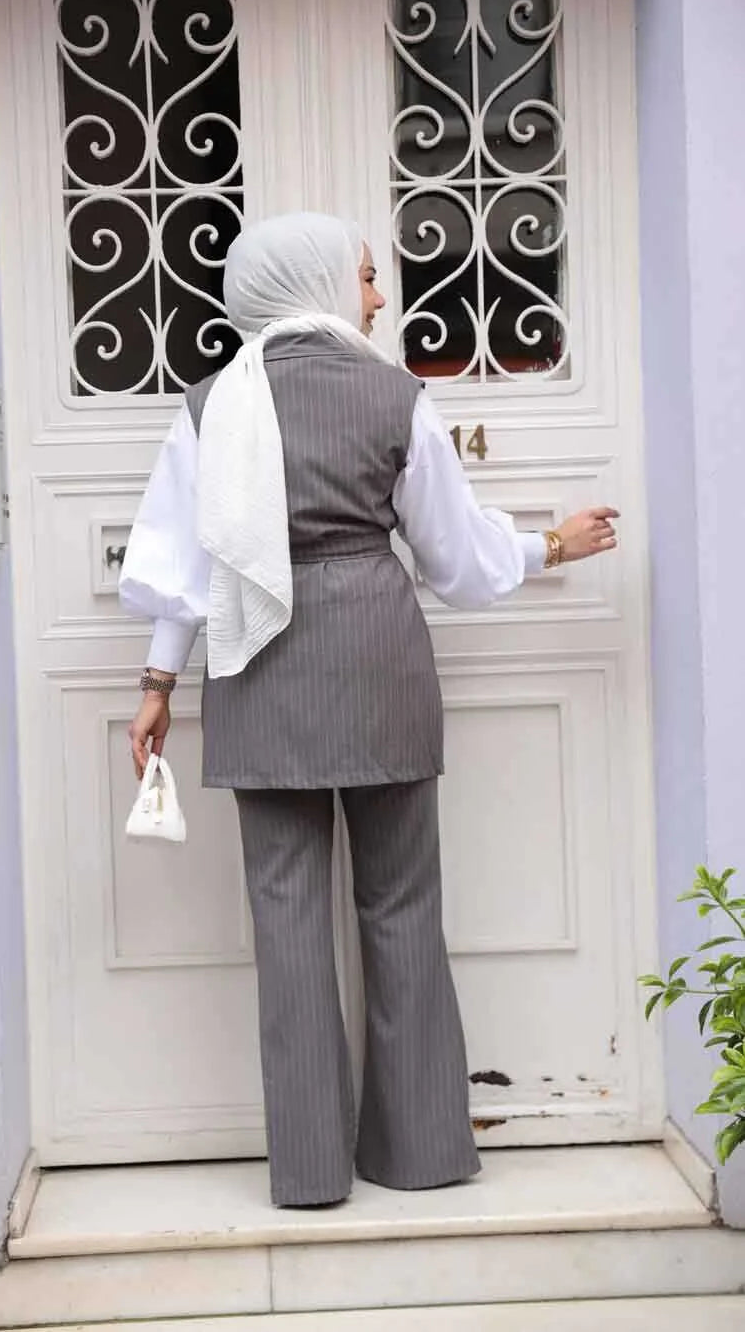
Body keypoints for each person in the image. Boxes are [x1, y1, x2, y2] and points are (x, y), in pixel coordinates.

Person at [119, 212, 618, 1207]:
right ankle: (422, 1151)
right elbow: (457, 558)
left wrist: (158, 684)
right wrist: (550, 546)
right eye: (366, 276)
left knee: (287, 920)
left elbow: (184, 565)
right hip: (378, 664)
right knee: (403, 908)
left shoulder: (210, 405)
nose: (380, 297)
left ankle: (309, 1171)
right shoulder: (395, 394)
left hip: (258, 669)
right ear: (315, 280)